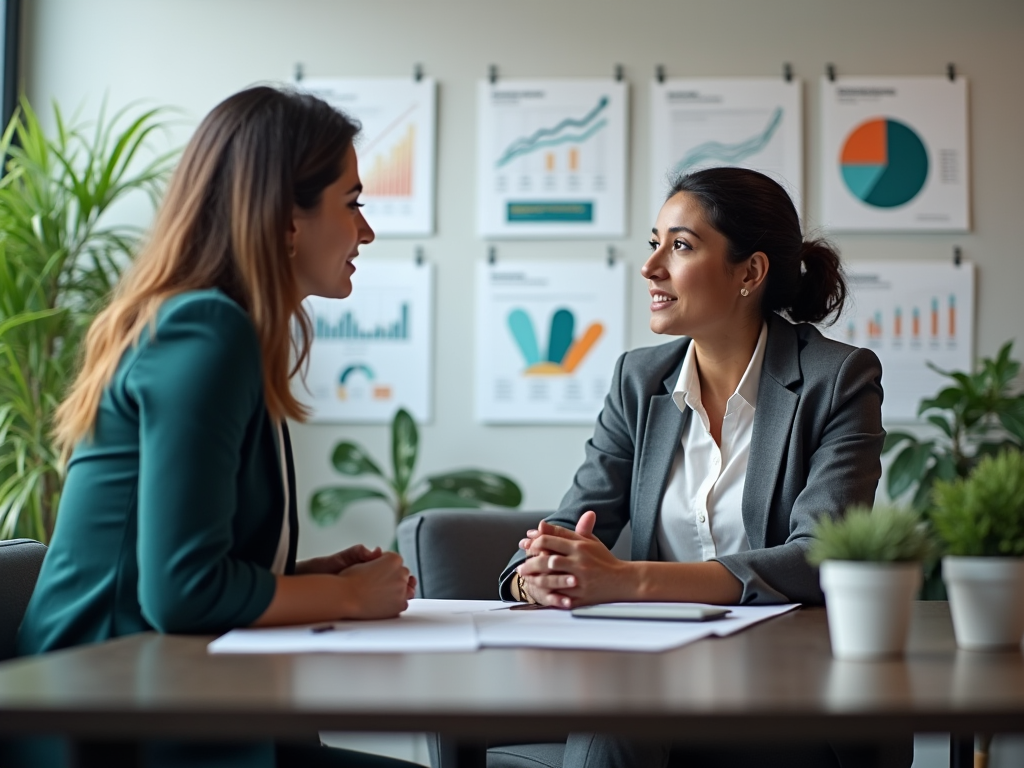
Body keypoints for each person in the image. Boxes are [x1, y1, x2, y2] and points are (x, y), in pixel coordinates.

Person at [13, 86, 419, 768]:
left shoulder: (224, 328)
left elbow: (189, 566)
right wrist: (345, 595)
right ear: (288, 219)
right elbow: (181, 591)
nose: (366, 231)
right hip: (107, 724)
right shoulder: (208, 330)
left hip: (165, 696)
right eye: (352, 202)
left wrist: (309, 575)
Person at [493, 168, 911, 768]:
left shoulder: (837, 378)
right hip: (655, 673)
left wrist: (627, 581)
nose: (651, 267)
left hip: (787, 682)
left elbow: (819, 554)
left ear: (751, 272)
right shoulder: (640, 380)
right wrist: (541, 573)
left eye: (681, 246)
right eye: (654, 243)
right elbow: (570, 524)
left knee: (621, 722)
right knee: (622, 718)